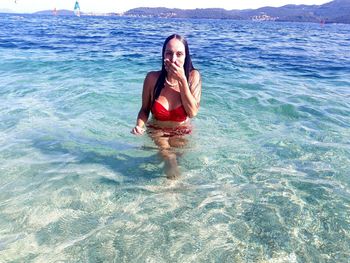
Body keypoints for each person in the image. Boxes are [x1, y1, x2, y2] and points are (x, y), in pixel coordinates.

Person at [131, 34, 202, 179]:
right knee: (169, 157)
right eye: (169, 53)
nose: (173, 59)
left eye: (179, 54)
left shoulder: (193, 77)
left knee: (176, 160)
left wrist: (182, 79)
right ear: (163, 55)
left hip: (181, 131)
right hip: (157, 130)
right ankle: (172, 194)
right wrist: (139, 125)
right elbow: (144, 109)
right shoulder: (152, 78)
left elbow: (192, 112)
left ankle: (168, 192)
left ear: (186, 56)